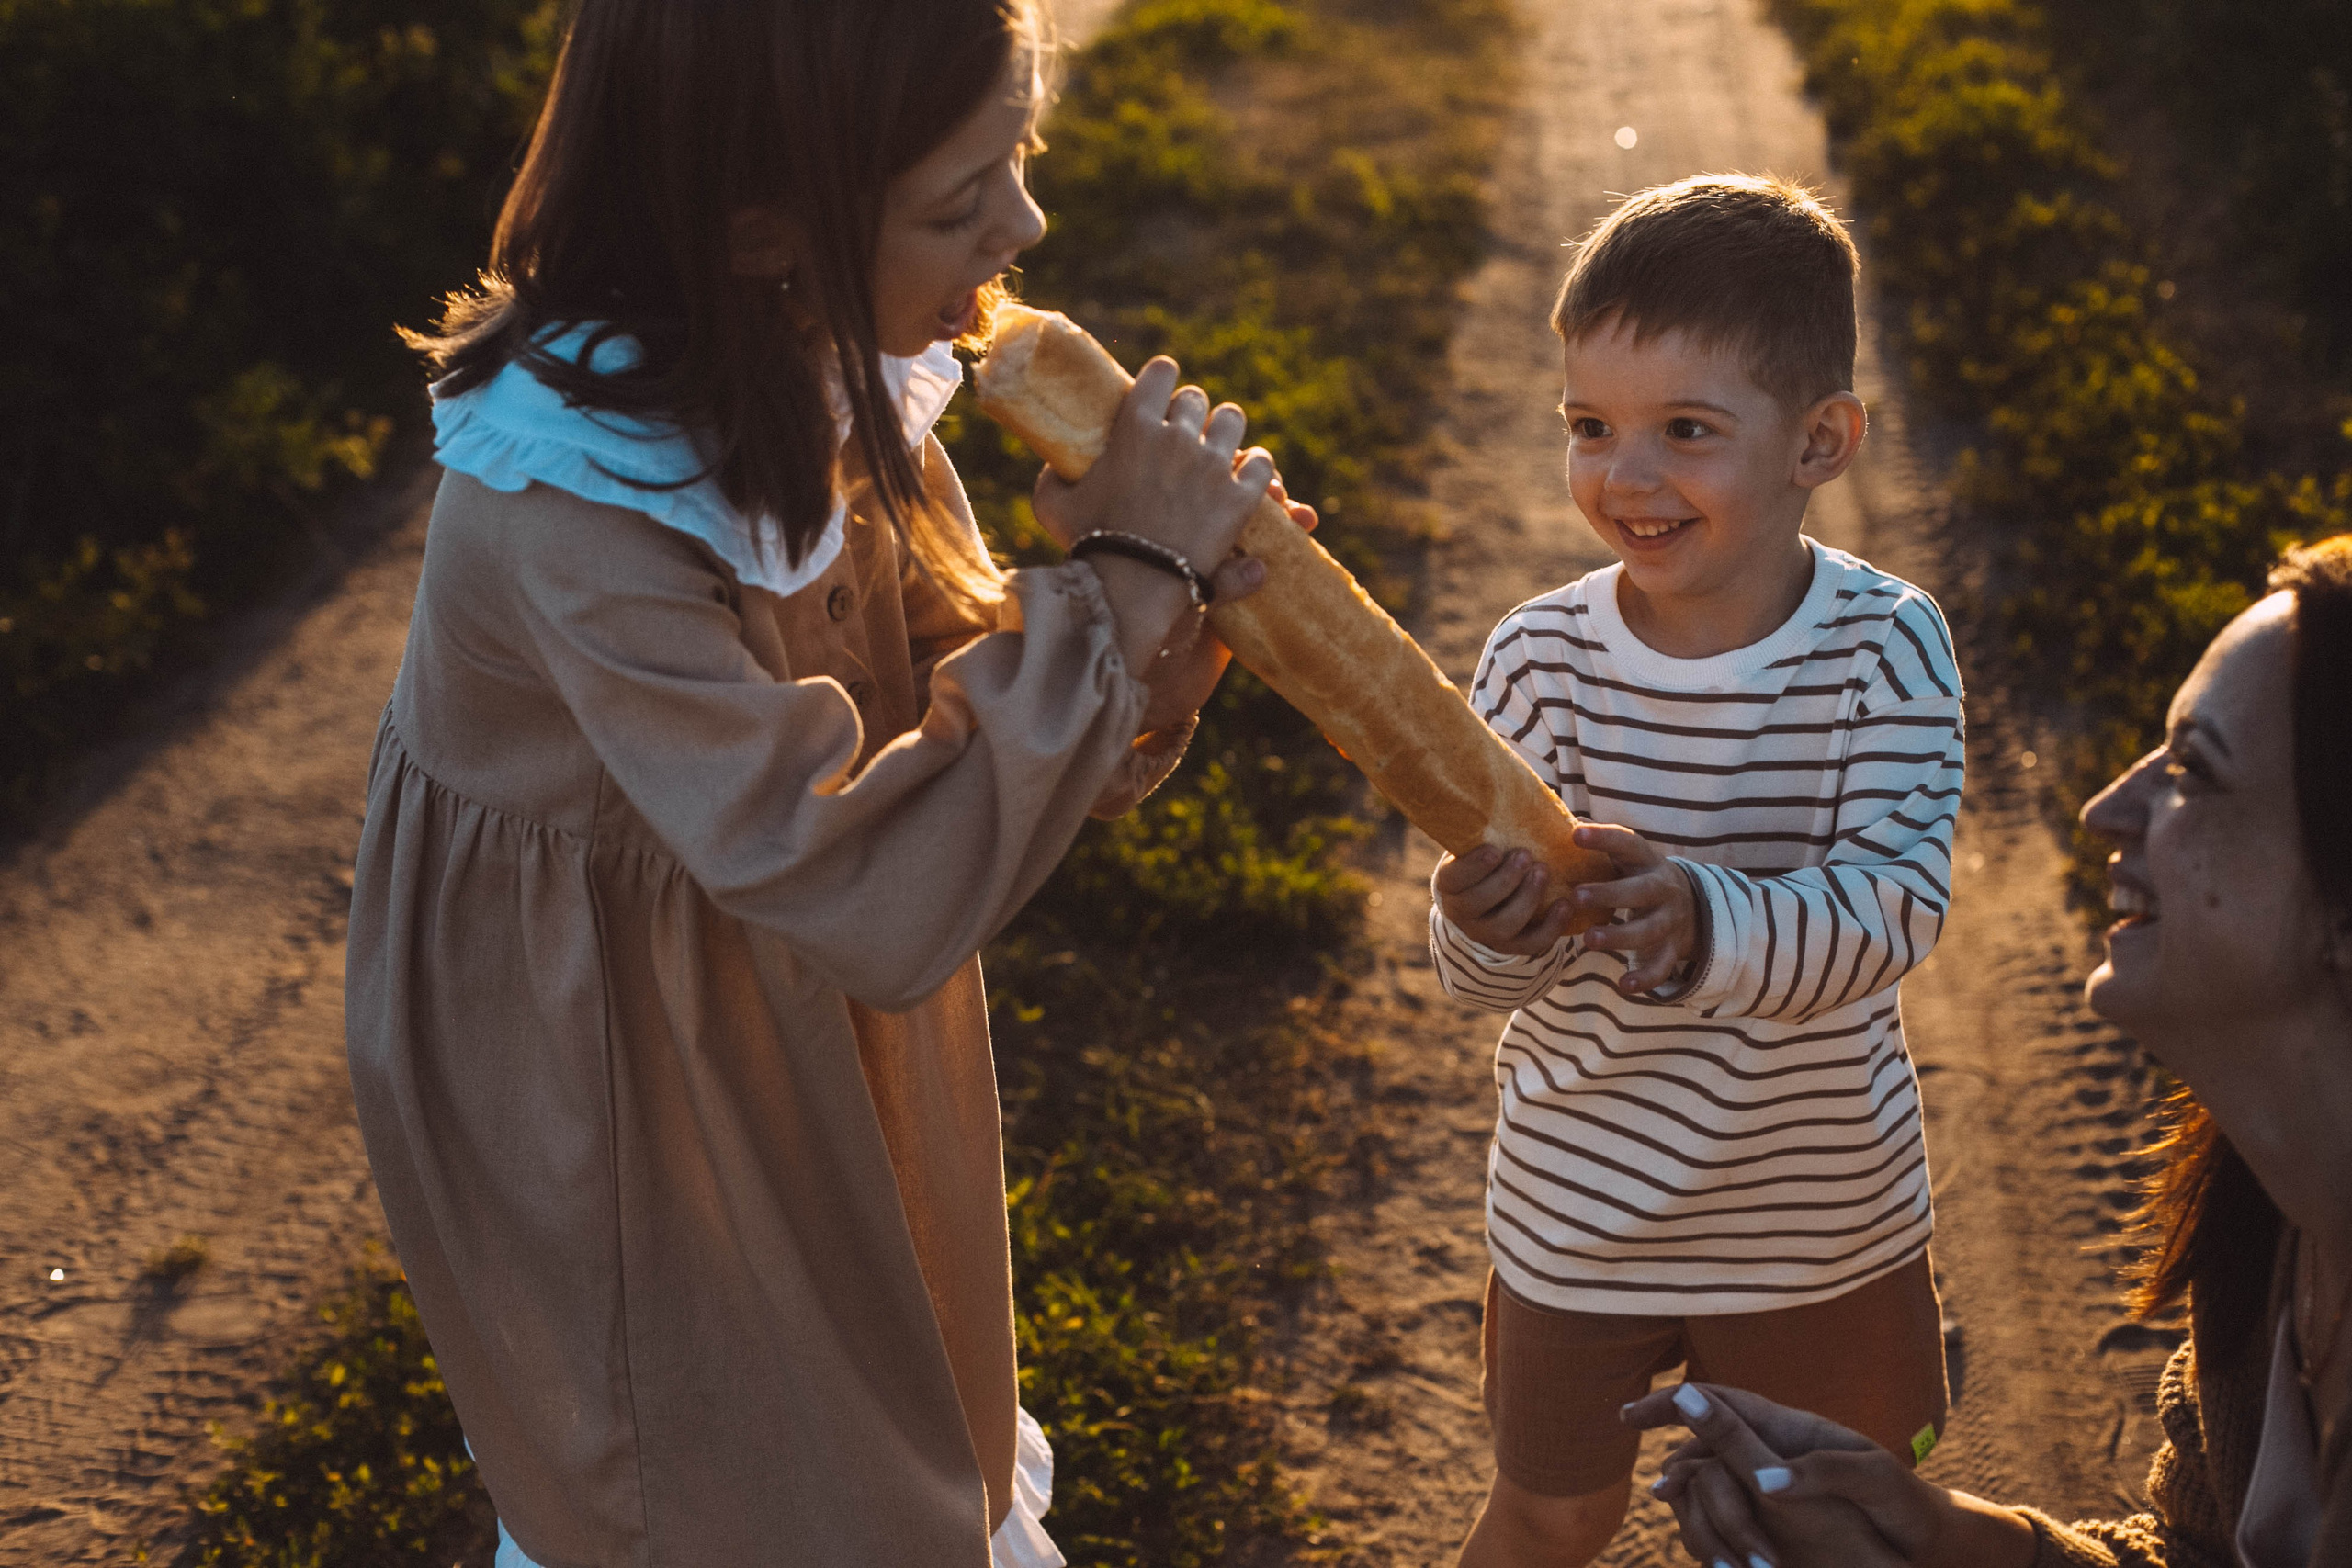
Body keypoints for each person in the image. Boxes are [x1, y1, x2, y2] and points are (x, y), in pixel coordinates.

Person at [343, 1, 1317, 1563]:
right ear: (755, 227)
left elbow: (949, 706)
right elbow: (864, 879)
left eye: (1024, 158)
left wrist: (1154, 634)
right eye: (960, 201)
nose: (1026, 223)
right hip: (613, 1044)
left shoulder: (820, 366)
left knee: (891, 1385)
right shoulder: (581, 509)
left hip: (786, 954)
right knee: (723, 1461)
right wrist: (1118, 589)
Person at [1624, 534, 2352, 1568]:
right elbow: (2198, 1553)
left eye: (2193, 769)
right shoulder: (2275, 1235)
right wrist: (1932, 1533)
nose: (2108, 808)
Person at [1429, 174, 1965, 1568]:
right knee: (1552, 1510)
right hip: (1579, 1202)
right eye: (1591, 427)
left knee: (1835, 1522)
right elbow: (1495, 968)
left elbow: (1898, 902)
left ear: (1820, 441)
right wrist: (1483, 924)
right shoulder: (1537, 658)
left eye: (1687, 431)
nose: (1629, 475)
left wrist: (1705, 914)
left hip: (1816, 1213)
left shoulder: (1884, 648)